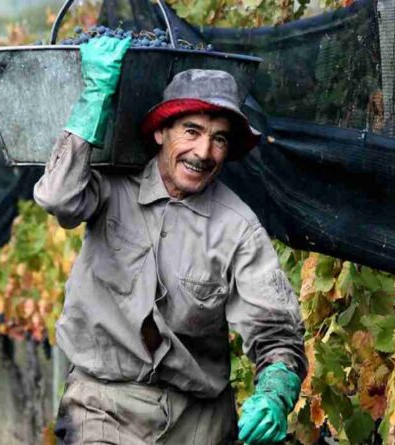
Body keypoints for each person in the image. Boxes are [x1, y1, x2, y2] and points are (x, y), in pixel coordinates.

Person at [34, 37, 307, 444]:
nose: (203, 151)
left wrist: (274, 393)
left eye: (219, 139)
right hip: (102, 404)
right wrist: (94, 99)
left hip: (197, 420)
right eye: (192, 131)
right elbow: (58, 198)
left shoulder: (237, 228)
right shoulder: (111, 188)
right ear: (161, 132)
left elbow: (276, 332)